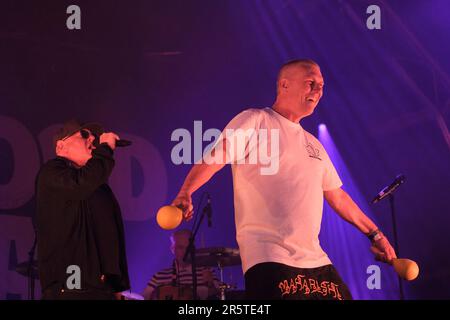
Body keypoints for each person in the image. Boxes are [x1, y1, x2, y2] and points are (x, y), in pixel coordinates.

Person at [172, 59, 397, 300]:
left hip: (316, 261)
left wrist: (376, 235)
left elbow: (338, 197)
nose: (318, 91)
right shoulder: (255, 120)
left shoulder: (314, 144)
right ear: (284, 84)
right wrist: (186, 191)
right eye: (311, 83)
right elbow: (219, 155)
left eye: (321, 85)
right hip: (270, 259)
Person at [35, 119, 130, 300]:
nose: (92, 139)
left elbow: (109, 235)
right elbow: (80, 183)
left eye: (94, 137)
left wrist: (116, 286)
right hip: (71, 286)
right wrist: (105, 149)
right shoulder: (52, 172)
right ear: (61, 146)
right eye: (85, 135)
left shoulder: (99, 186)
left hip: (102, 289)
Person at [142, 229, 220, 300]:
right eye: (180, 247)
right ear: (173, 249)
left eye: (188, 248)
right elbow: (142, 298)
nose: (185, 252)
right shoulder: (159, 276)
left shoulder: (206, 272)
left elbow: (219, 297)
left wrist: (210, 285)